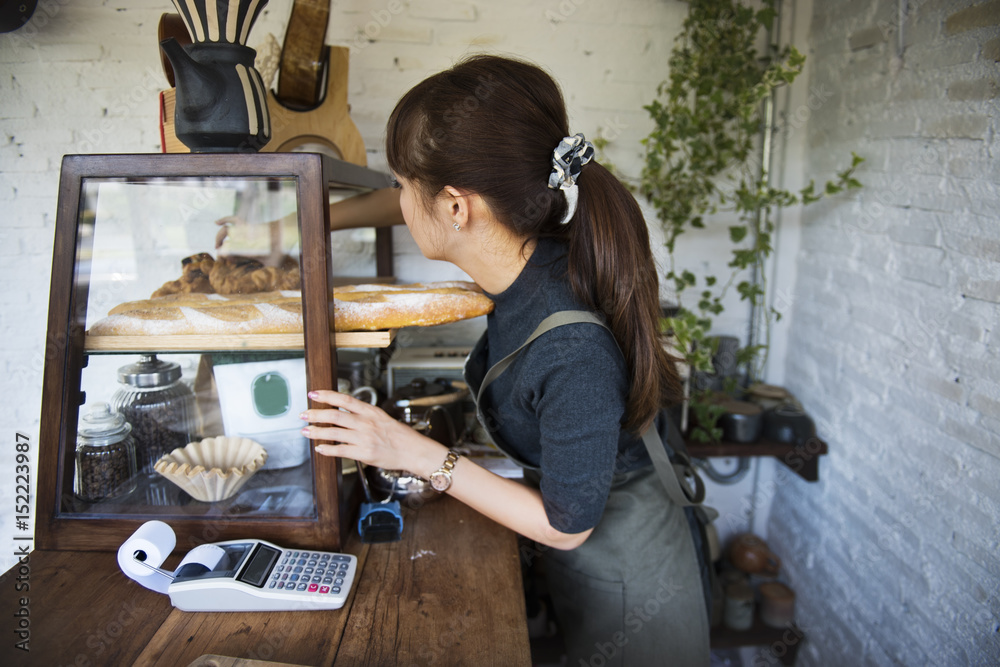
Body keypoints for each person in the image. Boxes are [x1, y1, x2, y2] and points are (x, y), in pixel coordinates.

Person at [300, 54, 710, 666]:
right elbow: (409, 204)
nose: (398, 200)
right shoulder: (532, 253)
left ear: (457, 207)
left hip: (630, 573)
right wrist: (304, 219)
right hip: (589, 550)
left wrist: (410, 452)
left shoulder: (572, 350)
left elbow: (567, 526)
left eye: (403, 184)